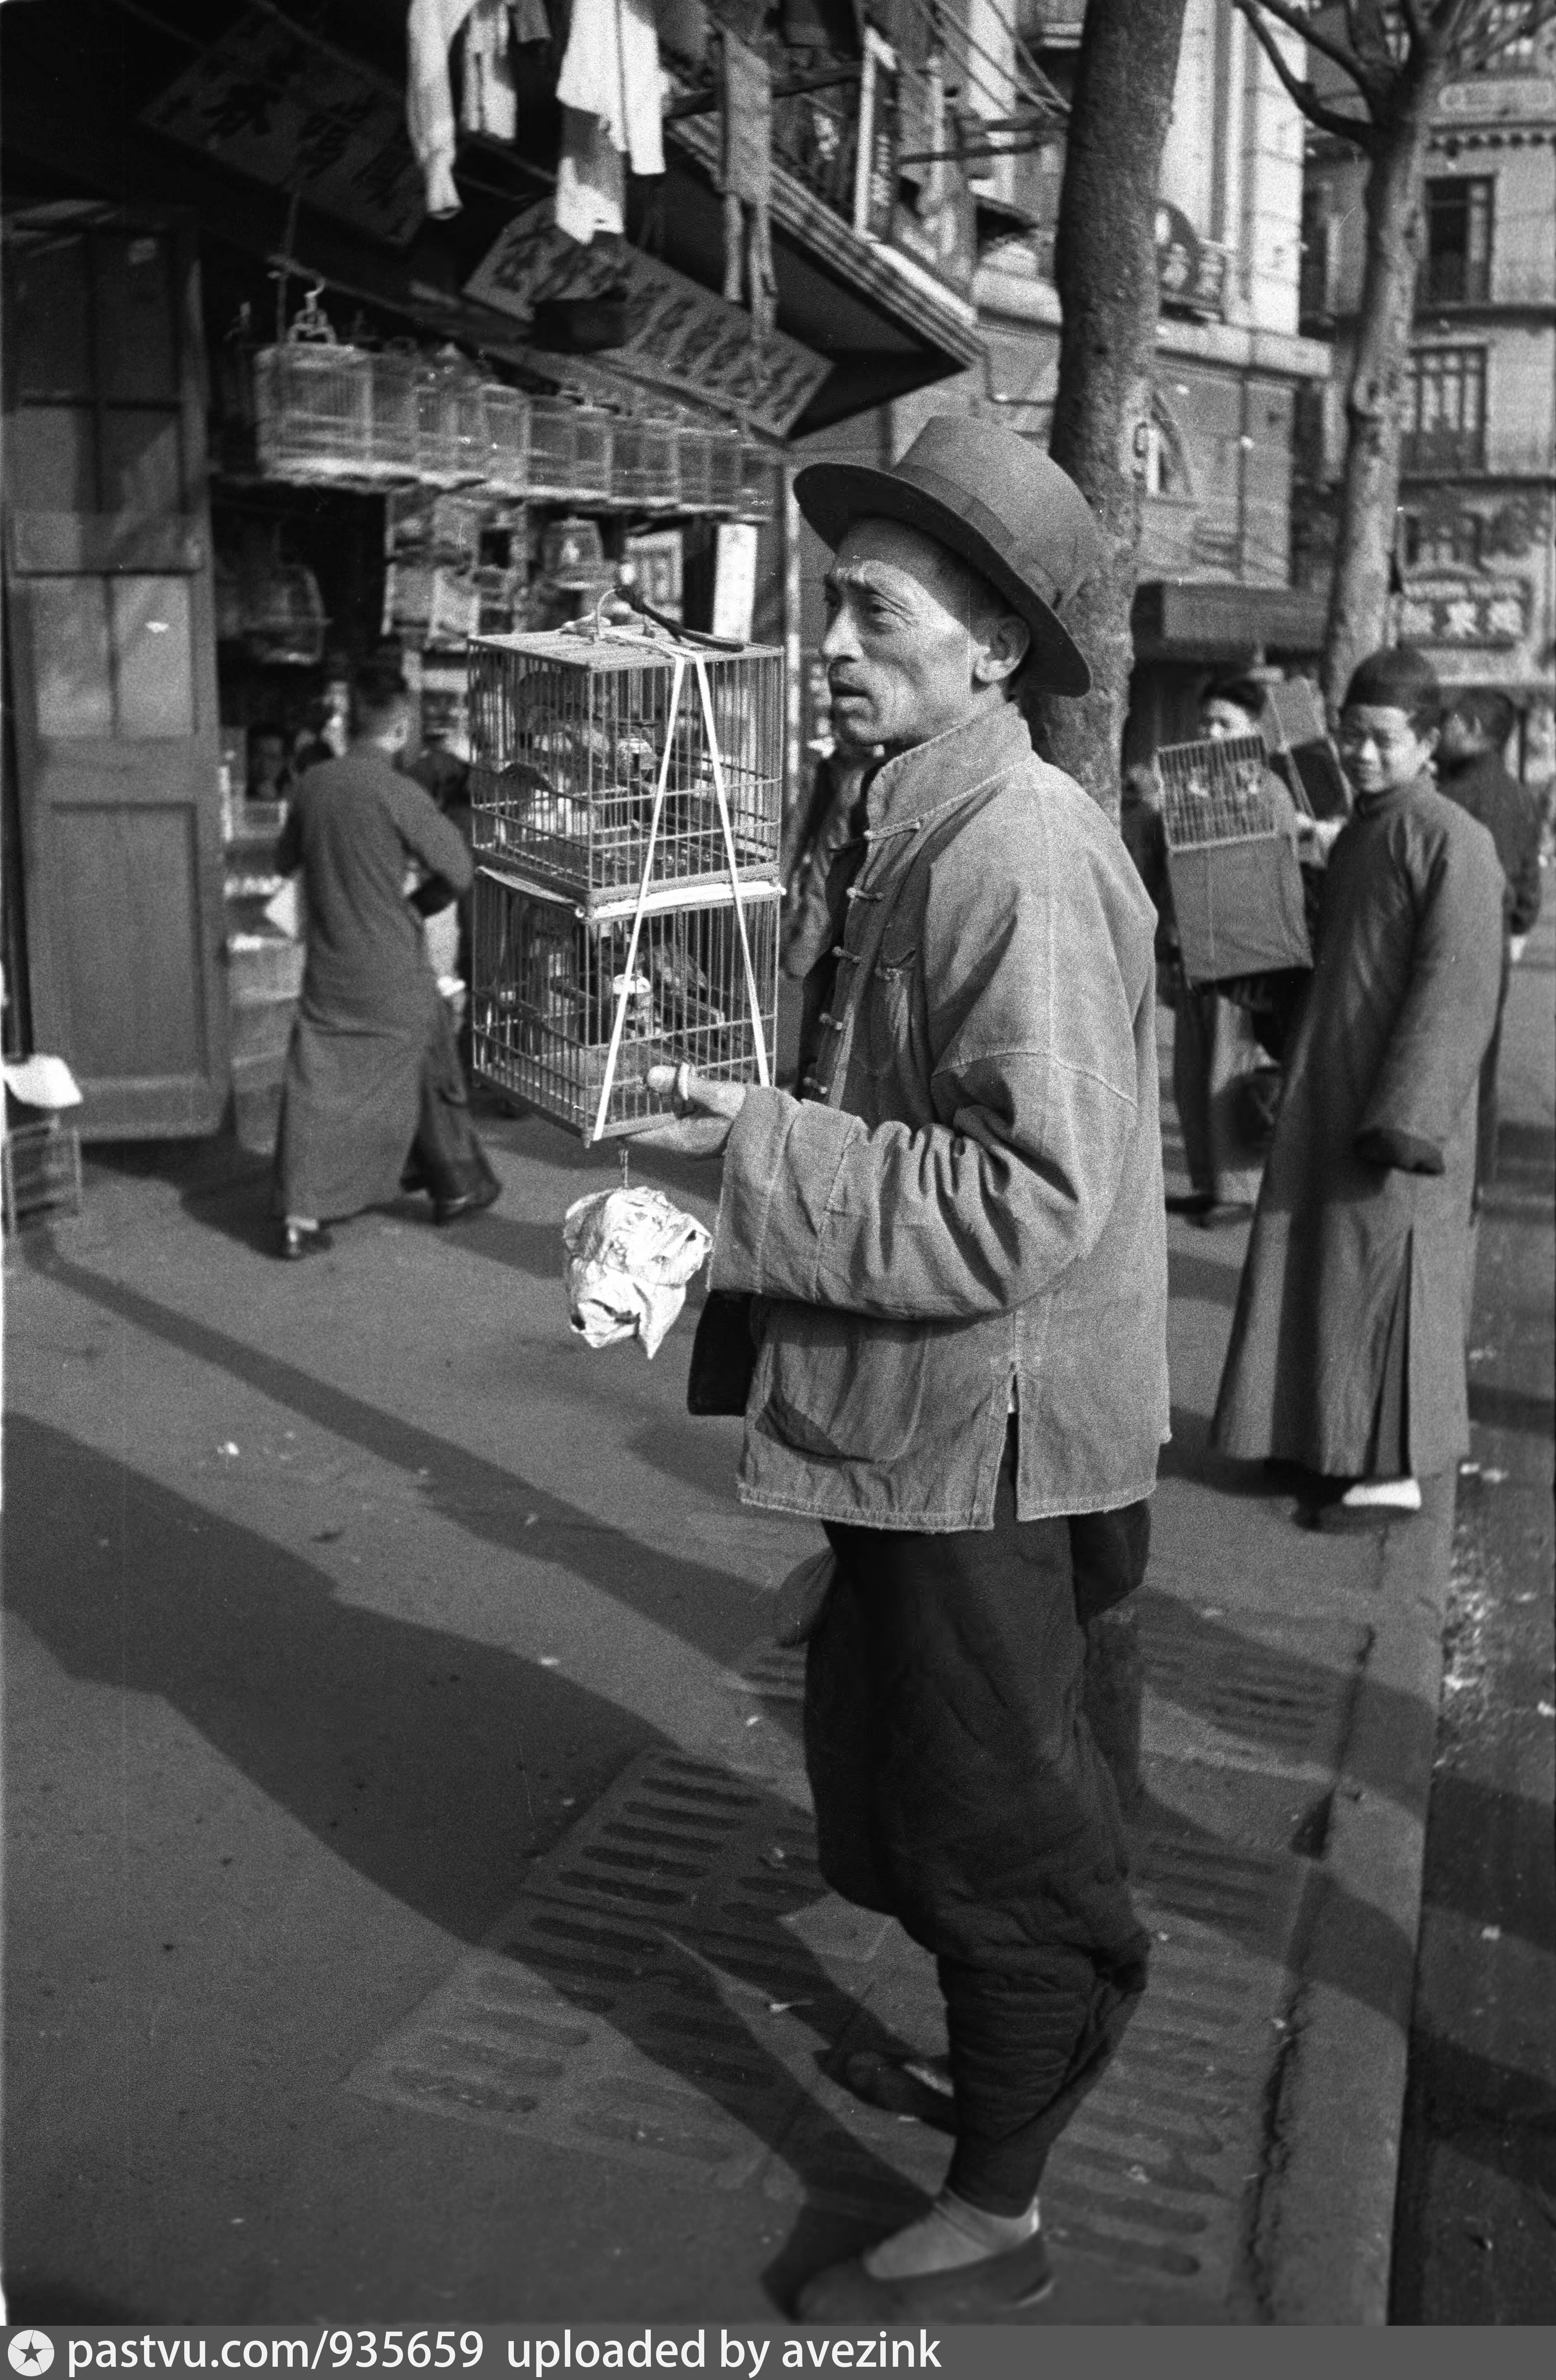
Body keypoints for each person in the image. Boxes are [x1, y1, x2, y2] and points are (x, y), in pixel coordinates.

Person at [650, 418, 1168, 2318]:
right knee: (927, 1775)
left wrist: (753, 1152)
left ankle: (1001, 2214)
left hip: (984, 1437)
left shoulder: (1012, 848)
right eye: (835, 605)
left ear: (993, 648)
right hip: (931, 1418)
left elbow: (1029, 1194)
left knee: (992, 1818)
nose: (835, 644)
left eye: (876, 611)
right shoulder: (906, 813)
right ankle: (1002, 2096)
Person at [1210, 646, 1504, 1526]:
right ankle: (1319, 1441)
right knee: (1324, 1273)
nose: (1363, 753)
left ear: (1427, 741)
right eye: (1351, 736)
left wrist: (1408, 1116)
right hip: (1328, 1085)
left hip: (1394, 1108)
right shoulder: (1363, 832)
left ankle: (1391, 1471)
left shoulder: (1453, 839)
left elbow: (1457, 987)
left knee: (1386, 1281)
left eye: (1383, 738)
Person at [272, 666, 499, 1259]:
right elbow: (458, 869)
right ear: (400, 729)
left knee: (316, 1078)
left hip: (330, 968)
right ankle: (452, 1181)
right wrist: (417, 904)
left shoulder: (313, 784)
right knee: (429, 1050)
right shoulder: (399, 793)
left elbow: (283, 860)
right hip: (392, 965)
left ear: (351, 725)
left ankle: (299, 1216)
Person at [1161, 672, 1303, 1226]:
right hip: (1194, 948)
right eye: (1205, 722)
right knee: (1192, 1071)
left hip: (1245, 952)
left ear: (1254, 732)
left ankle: (1239, 1188)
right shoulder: (1192, 786)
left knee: (1230, 1069)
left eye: (1226, 723)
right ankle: (1207, 1179)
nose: (1212, 733)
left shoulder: (1268, 790)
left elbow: (1280, 872)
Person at [1436, 688, 1543, 1196]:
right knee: (1482, 1065)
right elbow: (1527, 885)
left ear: (1473, 728)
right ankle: (1477, 1177)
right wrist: (1515, 928)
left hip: (1442, 943)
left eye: (1450, 721)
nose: (1440, 730)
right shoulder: (1520, 796)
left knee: (1437, 1061)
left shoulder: (1444, 797)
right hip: (1493, 944)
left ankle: (1444, 1177)